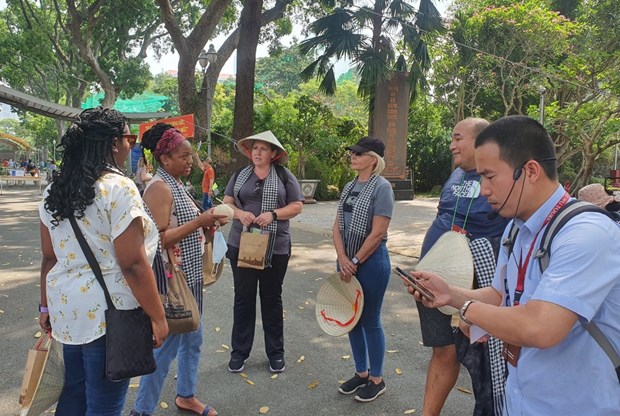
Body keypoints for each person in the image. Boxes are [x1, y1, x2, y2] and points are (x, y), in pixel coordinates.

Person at [410, 115, 620, 415]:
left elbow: (539, 327)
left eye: (490, 176)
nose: (483, 189)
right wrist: (448, 294)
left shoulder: (586, 234)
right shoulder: (516, 228)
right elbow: (500, 296)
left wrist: (467, 310)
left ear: (530, 171)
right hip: (522, 401)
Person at [38, 107, 168, 415]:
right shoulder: (118, 187)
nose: (131, 145)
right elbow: (133, 264)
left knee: (75, 393)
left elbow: (48, 257)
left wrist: (44, 307)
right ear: (112, 143)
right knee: (104, 404)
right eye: (129, 138)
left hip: (67, 309)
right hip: (110, 314)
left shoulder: (53, 191)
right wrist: (159, 316)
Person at [130, 124, 227, 416]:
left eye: (190, 155)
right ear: (164, 159)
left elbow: (181, 228)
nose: (189, 161)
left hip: (191, 279)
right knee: (166, 349)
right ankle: (142, 410)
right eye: (183, 156)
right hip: (173, 283)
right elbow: (156, 240)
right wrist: (199, 223)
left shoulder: (177, 185)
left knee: (193, 339)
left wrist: (207, 225)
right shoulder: (159, 188)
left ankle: (186, 395)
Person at [416, 118, 508, 416]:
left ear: (481, 142)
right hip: (433, 278)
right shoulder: (455, 174)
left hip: (476, 285)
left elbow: (506, 243)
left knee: (483, 360)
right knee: (443, 350)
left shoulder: (498, 182)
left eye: (458, 138)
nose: (452, 145)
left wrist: (473, 306)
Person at [223, 131, 303, 374]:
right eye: (255, 148)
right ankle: (239, 352)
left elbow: (297, 205)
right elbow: (227, 202)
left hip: (275, 247)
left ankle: (275, 353)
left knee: (271, 299)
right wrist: (239, 213)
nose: (257, 152)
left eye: (263, 149)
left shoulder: (284, 177)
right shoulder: (240, 176)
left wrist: (274, 214)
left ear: (273, 154)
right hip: (242, 243)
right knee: (243, 299)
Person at [334, 137, 394, 403]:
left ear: (373, 159)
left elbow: (379, 232)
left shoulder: (382, 188)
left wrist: (355, 261)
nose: (353, 155)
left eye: (359, 153)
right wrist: (342, 257)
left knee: (369, 319)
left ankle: (377, 379)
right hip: (346, 259)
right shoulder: (348, 187)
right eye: (352, 151)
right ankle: (361, 372)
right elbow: (336, 226)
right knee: (351, 319)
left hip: (371, 263)